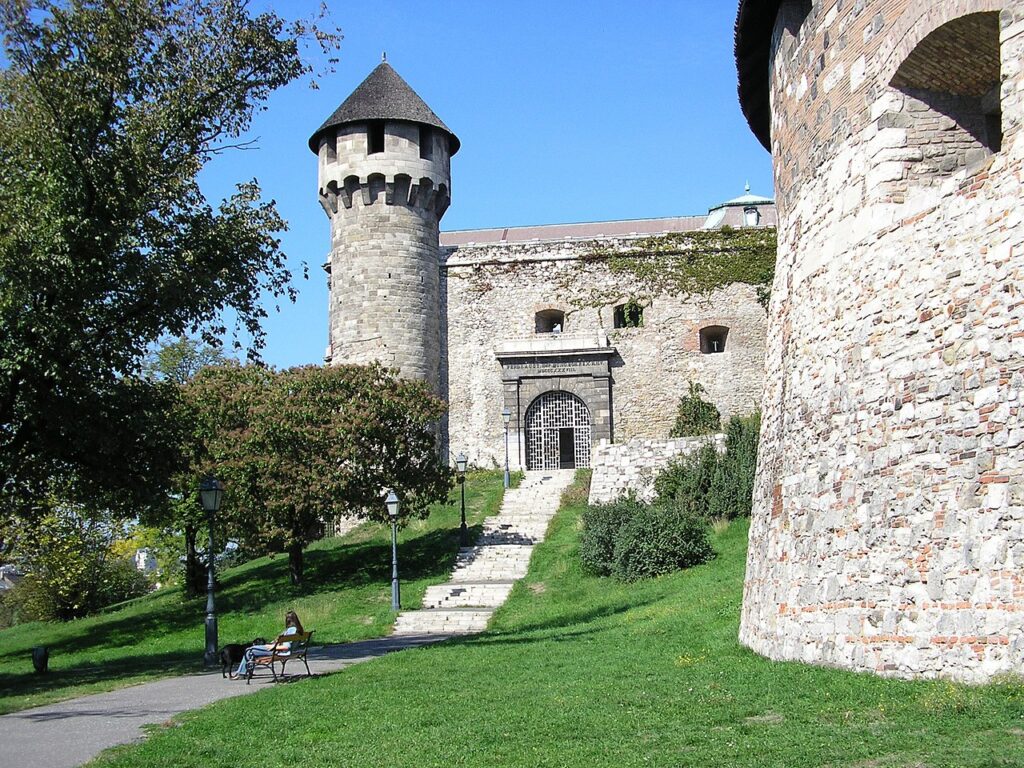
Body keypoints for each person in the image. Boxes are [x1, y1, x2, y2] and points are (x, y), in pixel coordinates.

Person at [231, 610, 304, 680]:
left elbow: (286, 647)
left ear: (288, 620)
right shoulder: (298, 629)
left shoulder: (291, 630)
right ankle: (246, 672)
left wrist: (272, 646)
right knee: (251, 650)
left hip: (278, 652)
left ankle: (242, 674)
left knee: (249, 650)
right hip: (284, 651)